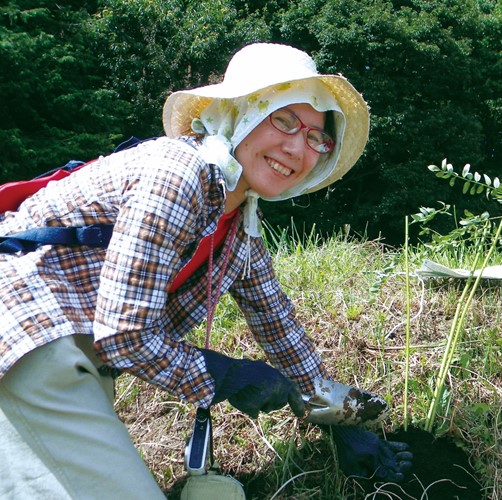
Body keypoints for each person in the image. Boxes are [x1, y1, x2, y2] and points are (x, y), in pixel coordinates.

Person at [0, 42, 411, 498]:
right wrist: (229, 376)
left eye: (318, 137)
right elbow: (123, 336)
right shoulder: (176, 174)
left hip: (63, 356)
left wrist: (340, 424)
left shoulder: (236, 223)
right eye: (284, 120)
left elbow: (280, 329)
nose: (298, 147)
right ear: (239, 114)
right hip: (27, 336)